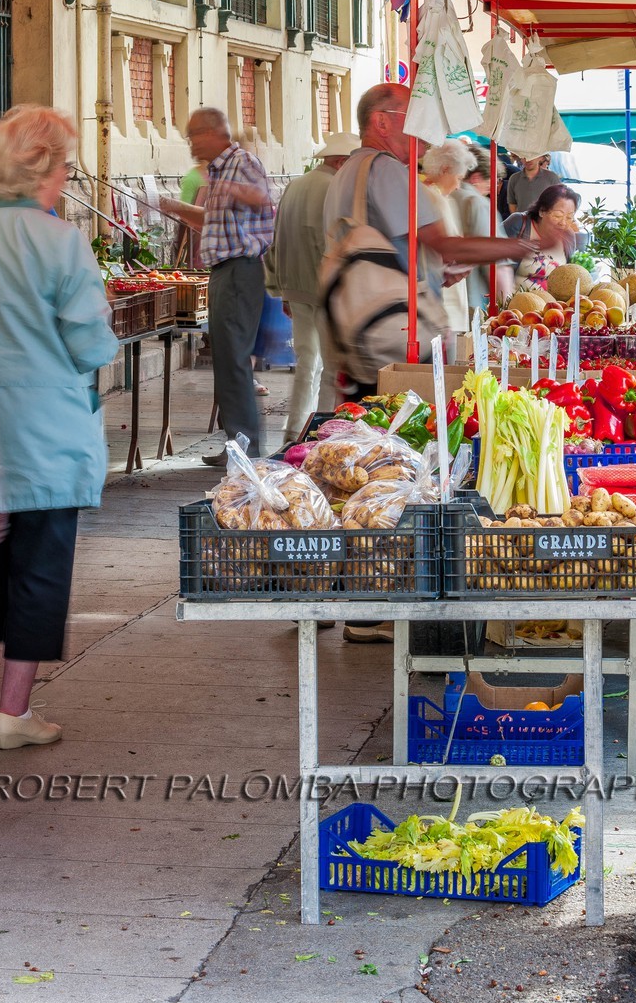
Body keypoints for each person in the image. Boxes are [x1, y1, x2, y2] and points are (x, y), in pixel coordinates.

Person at [325, 88, 532, 644]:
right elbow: (446, 243)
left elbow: (396, 252)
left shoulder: (348, 171)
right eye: (409, 117)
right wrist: (517, 247)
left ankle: (354, 598)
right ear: (381, 122)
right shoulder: (390, 171)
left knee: (364, 474)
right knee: (391, 478)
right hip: (393, 343)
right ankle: (371, 607)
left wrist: (426, 273)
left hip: (359, 333)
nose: (419, 129)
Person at [0, 105, 118, 750]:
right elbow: (91, 343)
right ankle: (12, 710)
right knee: (41, 570)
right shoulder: (60, 241)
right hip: (48, 433)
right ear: (47, 171)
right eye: (65, 167)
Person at [161, 108, 275, 464]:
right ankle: (236, 445)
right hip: (225, 272)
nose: (191, 144)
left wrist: (229, 188)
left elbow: (263, 199)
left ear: (212, 133)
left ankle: (247, 449)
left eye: (193, 135)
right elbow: (214, 221)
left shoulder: (241, 162)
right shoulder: (220, 170)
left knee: (235, 361)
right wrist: (175, 207)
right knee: (226, 360)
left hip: (240, 271)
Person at [264, 131, 360, 448]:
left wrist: (282, 289)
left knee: (307, 363)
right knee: (331, 368)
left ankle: (294, 432)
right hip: (326, 292)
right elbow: (333, 245)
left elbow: (275, 242)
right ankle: (323, 434)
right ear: (340, 161)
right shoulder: (334, 188)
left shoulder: (295, 185)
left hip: (296, 289)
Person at [421, 139, 478, 355]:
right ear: (445, 169)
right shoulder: (435, 200)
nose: (458, 185)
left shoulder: (430, 196)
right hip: (442, 304)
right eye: (458, 178)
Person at [503, 183, 582, 293]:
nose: (563, 223)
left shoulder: (568, 236)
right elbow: (493, 263)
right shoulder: (518, 223)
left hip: (551, 308)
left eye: (569, 217)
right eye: (557, 216)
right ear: (541, 211)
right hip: (514, 305)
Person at [454, 142, 495, 317]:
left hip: (448, 302)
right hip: (473, 302)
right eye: (488, 185)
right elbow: (494, 264)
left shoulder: (439, 196)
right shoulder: (478, 203)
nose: (489, 190)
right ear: (476, 178)